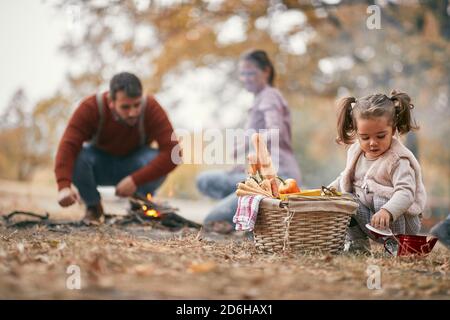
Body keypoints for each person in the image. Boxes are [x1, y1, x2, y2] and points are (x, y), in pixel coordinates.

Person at [196, 50, 301, 231]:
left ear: (266, 71)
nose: (245, 78)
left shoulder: (269, 95)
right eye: (243, 73)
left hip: (278, 177)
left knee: (213, 220)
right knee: (206, 180)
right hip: (263, 175)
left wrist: (246, 143)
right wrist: (248, 166)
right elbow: (262, 148)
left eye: (251, 73)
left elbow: (275, 132)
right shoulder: (259, 99)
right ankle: (252, 217)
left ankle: (256, 219)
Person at [55, 72, 179, 224]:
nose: (133, 112)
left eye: (137, 105)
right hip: (100, 165)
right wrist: (63, 186)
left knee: (153, 157)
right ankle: (93, 207)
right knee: (79, 156)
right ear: (111, 102)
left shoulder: (151, 108)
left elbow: (174, 154)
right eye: (125, 107)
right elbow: (68, 145)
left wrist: (135, 179)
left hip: (134, 167)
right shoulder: (91, 107)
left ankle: (139, 204)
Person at [328, 90, 427, 253]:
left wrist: (387, 210)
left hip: (401, 221)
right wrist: (329, 191)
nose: (372, 143)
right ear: (356, 132)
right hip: (371, 220)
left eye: (380, 136)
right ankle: (358, 245)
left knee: (381, 197)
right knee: (347, 200)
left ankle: (396, 245)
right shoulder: (356, 152)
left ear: (393, 129)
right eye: (365, 137)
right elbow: (345, 177)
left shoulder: (398, 160)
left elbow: (406, 192)